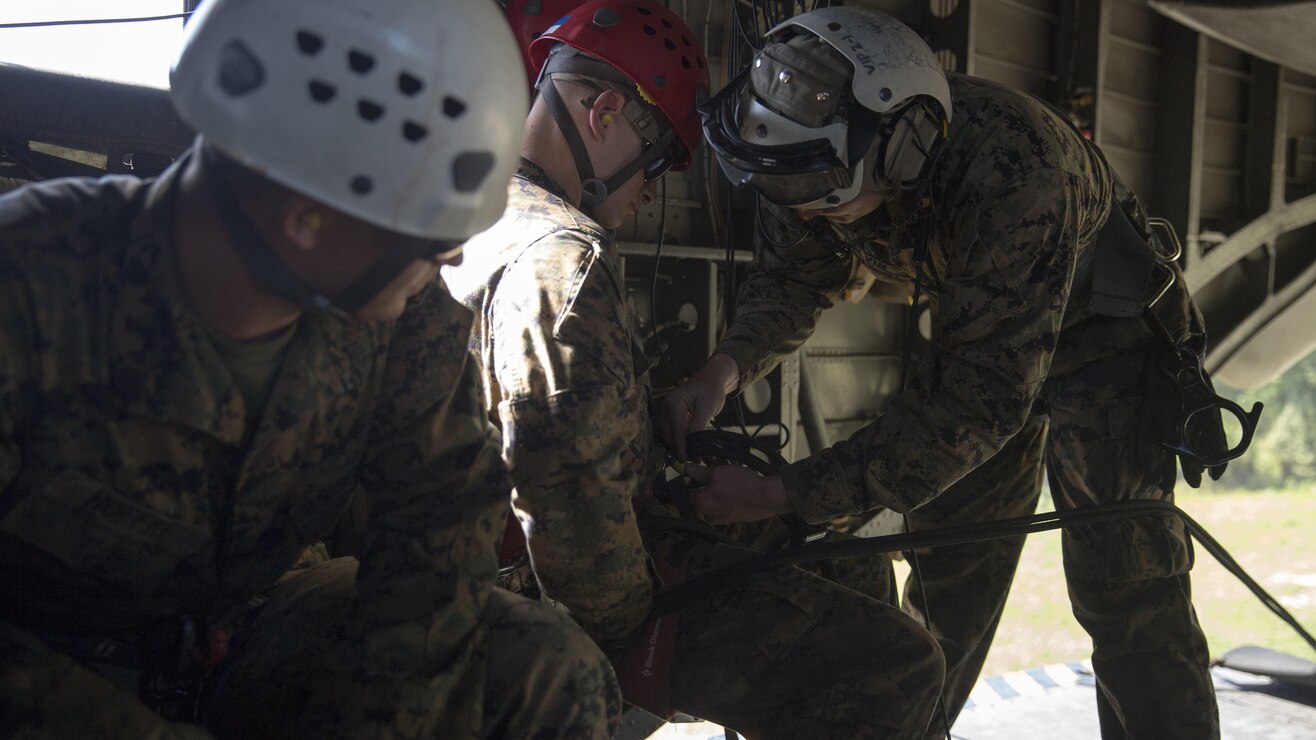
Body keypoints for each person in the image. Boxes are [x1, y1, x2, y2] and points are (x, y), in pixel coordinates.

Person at [0, 0, 620, 737]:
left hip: (245, 629)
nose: (450, 257)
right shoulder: (29, 287)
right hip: (53, 671)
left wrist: (391, 721)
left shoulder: (395, 316)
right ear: (306, 218)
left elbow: (439, 521)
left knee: (542, 665)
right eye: (429, 231)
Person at [666, 6, 1223, 738]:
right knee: (947, 570)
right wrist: (723, 370)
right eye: (784, 194)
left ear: (902, 150)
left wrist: (780, 495)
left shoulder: (1016, 169)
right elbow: (796, 280)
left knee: (1130, 591)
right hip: (983, 336)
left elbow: (978, 406)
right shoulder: (807, 156)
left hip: (1105, 341)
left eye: (816, 198)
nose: (798, 215)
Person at [445, 2, 944, 737]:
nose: (653, 190)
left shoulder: (468, 212)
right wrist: (634, 632)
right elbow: (573, 511)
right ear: (605, 113)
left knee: (845, 556)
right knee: (901, 665)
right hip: (563, 591)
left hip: (496, 561)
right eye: (657, 160)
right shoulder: (562, 260)